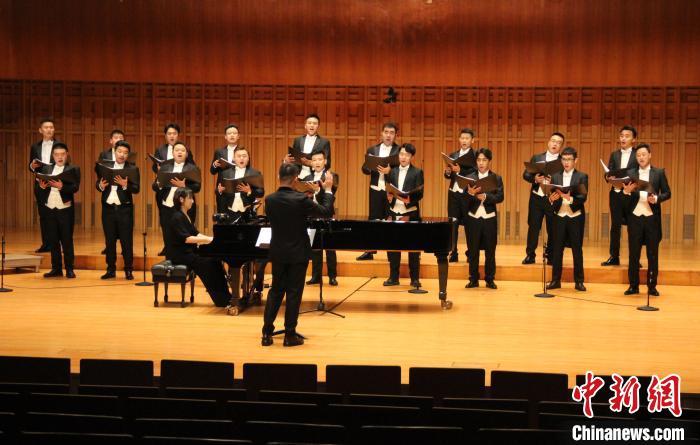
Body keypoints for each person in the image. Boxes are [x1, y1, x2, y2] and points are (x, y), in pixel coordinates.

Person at [262, 163, 335, 347]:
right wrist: (327, 190)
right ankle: (289, 334)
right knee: (294, 293)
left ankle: (267, 333)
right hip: (297, 253)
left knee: (276, 291)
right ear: (296, 179)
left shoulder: (270, 200)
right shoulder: (300, 199)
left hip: (278, 252)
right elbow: (326, 212)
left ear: (278, 177)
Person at [165, 188, 232, 307]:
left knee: (215, 260)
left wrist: (212, 239)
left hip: (189, 252)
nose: (192, 201)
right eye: (190, 198)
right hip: (180, 255)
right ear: (181, 199)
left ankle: (226, 296)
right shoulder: (176, 217)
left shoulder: (185, 215)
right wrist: (208, 240)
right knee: (208, 264)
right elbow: (187, 239)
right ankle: (221, 300)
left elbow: (196, 234)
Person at [621, 143, 671, 296]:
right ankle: (633, 286)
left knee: (652, 254)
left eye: (643, 154)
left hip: (651, 219)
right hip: (635, 218)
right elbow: (624, 198)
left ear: (649, 155)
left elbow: (667, 193)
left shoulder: (659, 173)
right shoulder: (630, 173)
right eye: (638, 155)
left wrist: (657, 198)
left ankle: (652, 286)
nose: (641, 157)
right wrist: (626, 192)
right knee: (634, 254)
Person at [545, 147, 589, 292]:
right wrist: (552, 199)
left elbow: (583, 197)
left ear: (575, 160)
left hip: (575, 216)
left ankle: (579, 281)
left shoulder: (582, 176)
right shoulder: (555, 176)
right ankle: (555, 280)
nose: (566, 162)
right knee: (557, 250)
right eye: (564, 159)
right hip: (559, 216)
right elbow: (551, 194)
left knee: (577, 250)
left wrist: (569, 198)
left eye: (569, 159)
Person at [96, 140, 140, 280]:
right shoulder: (105, 166)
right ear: (114, 152)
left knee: (126, 241)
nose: (122, 155)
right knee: (109, 241)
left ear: (128, 155)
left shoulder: (132, 169)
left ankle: (128, 270)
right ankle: (110, 270)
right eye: (119, 151)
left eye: (125, 153)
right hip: (108, 209)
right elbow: (98, 184)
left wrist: (126, 185)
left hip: (124, 209)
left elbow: (136, 189)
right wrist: (101, 186)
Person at [357, 122, 401, 261]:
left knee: (391, 220)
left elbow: (403, 170)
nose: (388, 135)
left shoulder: (399, 150)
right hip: (375, 188)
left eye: (391, 133)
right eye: (386, 132)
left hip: (391, 191)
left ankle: (392, 252)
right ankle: (370, 251)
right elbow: (364, 169)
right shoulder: (372, 149)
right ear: (382, 133)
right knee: (373, 220)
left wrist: (390, 171)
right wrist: (369, 167)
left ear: (396, 135)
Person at [37, 142, 81, 278]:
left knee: (67, 240)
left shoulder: (73, 169)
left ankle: (69, 269)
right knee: (53, 240)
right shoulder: (46, 169)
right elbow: (40, 188)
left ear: (67, 155)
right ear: (53, 156)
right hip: (50, 208)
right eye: (57, 155)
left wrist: (62, 187)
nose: (60, 157)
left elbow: (75, 188)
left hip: (65, 209)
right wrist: (42, 187)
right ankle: (56, 268)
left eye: (62, 154)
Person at [383, 143, 424, 287]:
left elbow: (420, 193)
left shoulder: (417, 172)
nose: (403, 157)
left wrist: (409, 199)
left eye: (406, 155)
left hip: (410, 213)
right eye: (401, 154)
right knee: (393, 246)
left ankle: (415, 278)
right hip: (394, 211)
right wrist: (389, 197)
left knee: (413, 247)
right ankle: (393, 277)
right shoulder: (392, 172)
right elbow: (389, 189)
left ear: (411, 157)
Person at [522, 132, 565, 264]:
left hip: (553, 198)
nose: (555, 144)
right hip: (537, 198)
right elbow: (525, 175)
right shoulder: (537, 157)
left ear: (561, 146)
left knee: (553, 228)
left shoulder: (564, 161)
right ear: (548, 142)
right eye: (553, 141)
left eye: (558, 142)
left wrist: (555, 180)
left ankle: (550, 255)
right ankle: (530, 255)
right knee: (533, 227)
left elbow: (567, 180)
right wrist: (535, 178)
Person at [464, 148, 504, 289]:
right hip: (473, 218)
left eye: (484, 160)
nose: (481, 163)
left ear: (489, 161)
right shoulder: (469, 178)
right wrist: (470, 194)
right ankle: (473, 279)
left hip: (489, 218)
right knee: (473, 251)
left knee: (490, 251)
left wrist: (486, 197)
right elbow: (463, 200)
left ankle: (489, 279)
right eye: (479, 160)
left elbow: (500, 197)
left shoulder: (496, 178)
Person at [152, 141, 201, 255]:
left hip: (184, 208)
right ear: (173, 153)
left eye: (182, 150)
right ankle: (169, 261)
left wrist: (184, 185)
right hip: (167, 207)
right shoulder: (165, 167)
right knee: (168, 236)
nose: (180, 152)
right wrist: (159, 183)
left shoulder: (193, 168)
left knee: (185, 235)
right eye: (177, 150)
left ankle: (186, 261)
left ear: (186, 154)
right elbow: (154, 186)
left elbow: (197, 187)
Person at [601, 125, 639, 266]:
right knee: (615, 226)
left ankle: (634, 258)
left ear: (633, 139)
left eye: (627, 136)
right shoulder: (614, 154)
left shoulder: (638, 154)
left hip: (631, 194)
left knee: (633, 227)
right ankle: (614, 256)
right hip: (616, 194)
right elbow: (609, 172)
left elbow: (641, 173)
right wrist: (608, 176)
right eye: (621, 136)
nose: (623, 138)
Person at [301, 150, 338, 286]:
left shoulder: (332, 176)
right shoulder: (306, 178)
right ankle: (316, 276)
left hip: (326, 215)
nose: (317, 162)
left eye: (320, 159)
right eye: (314, 160)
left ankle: (332, 276)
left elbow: (331, 193)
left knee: (330, 247)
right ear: (311, 163)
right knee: (315, 247)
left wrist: (318, 190)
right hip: (312, 216)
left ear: (325, 161)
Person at [443, 128, 477, 263]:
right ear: (459, 139)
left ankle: (470, 253)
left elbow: (475, 173)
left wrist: (460, 170)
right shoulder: (454, 154)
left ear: (472, 140)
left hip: (467, 194)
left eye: (467, 138)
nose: (464, 140)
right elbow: (449, 176)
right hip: (453, 194)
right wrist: (448, 172)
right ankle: (453, 252)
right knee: (453, 224)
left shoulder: (475, 156)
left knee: (469, 224)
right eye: (462, 138)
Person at [28, 118, 57, 253]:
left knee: (55, 215)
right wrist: (32, 166)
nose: (49, 129)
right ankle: (46, 244)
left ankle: (56, 244)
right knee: (43, 215)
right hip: (40, 184)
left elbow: (66, 164)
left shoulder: (59, 145)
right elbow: (31, 166)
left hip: (54, 183)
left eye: (51, 127)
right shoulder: (35, 146)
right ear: (40, 130)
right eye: (46, 127)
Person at [216, 146, 264, 218]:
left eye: (244, 156)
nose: (241, 158)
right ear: (234, 158)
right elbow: (217, 191)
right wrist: (219, 190)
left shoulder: (255, 173)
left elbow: (261, 192)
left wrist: (250, 191)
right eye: (239, 156)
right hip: (229, 211)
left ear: (248, 158)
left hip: (248, 211)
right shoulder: (225, 173)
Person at [284, 113, 331, 179]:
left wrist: (312, 163)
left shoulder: (324, 142)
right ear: (305, 126)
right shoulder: (298, 140)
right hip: (299, 176)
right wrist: (286, 161)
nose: (312, 125)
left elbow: (328, 163)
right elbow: (294, 159)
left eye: (314, 123)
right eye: (309, 123)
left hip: (316, 178)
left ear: (318, 126)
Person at [210, 124, 242, 213]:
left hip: (237, 189)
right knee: (222, 216)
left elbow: (247, 170)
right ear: (225, 136)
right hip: (222, 189)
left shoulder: (242, 152)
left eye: (234, 133)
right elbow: (212, 171)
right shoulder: (219, 152)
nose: (232, 135)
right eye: (229, 133)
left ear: (238, 136)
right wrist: (214, 165)